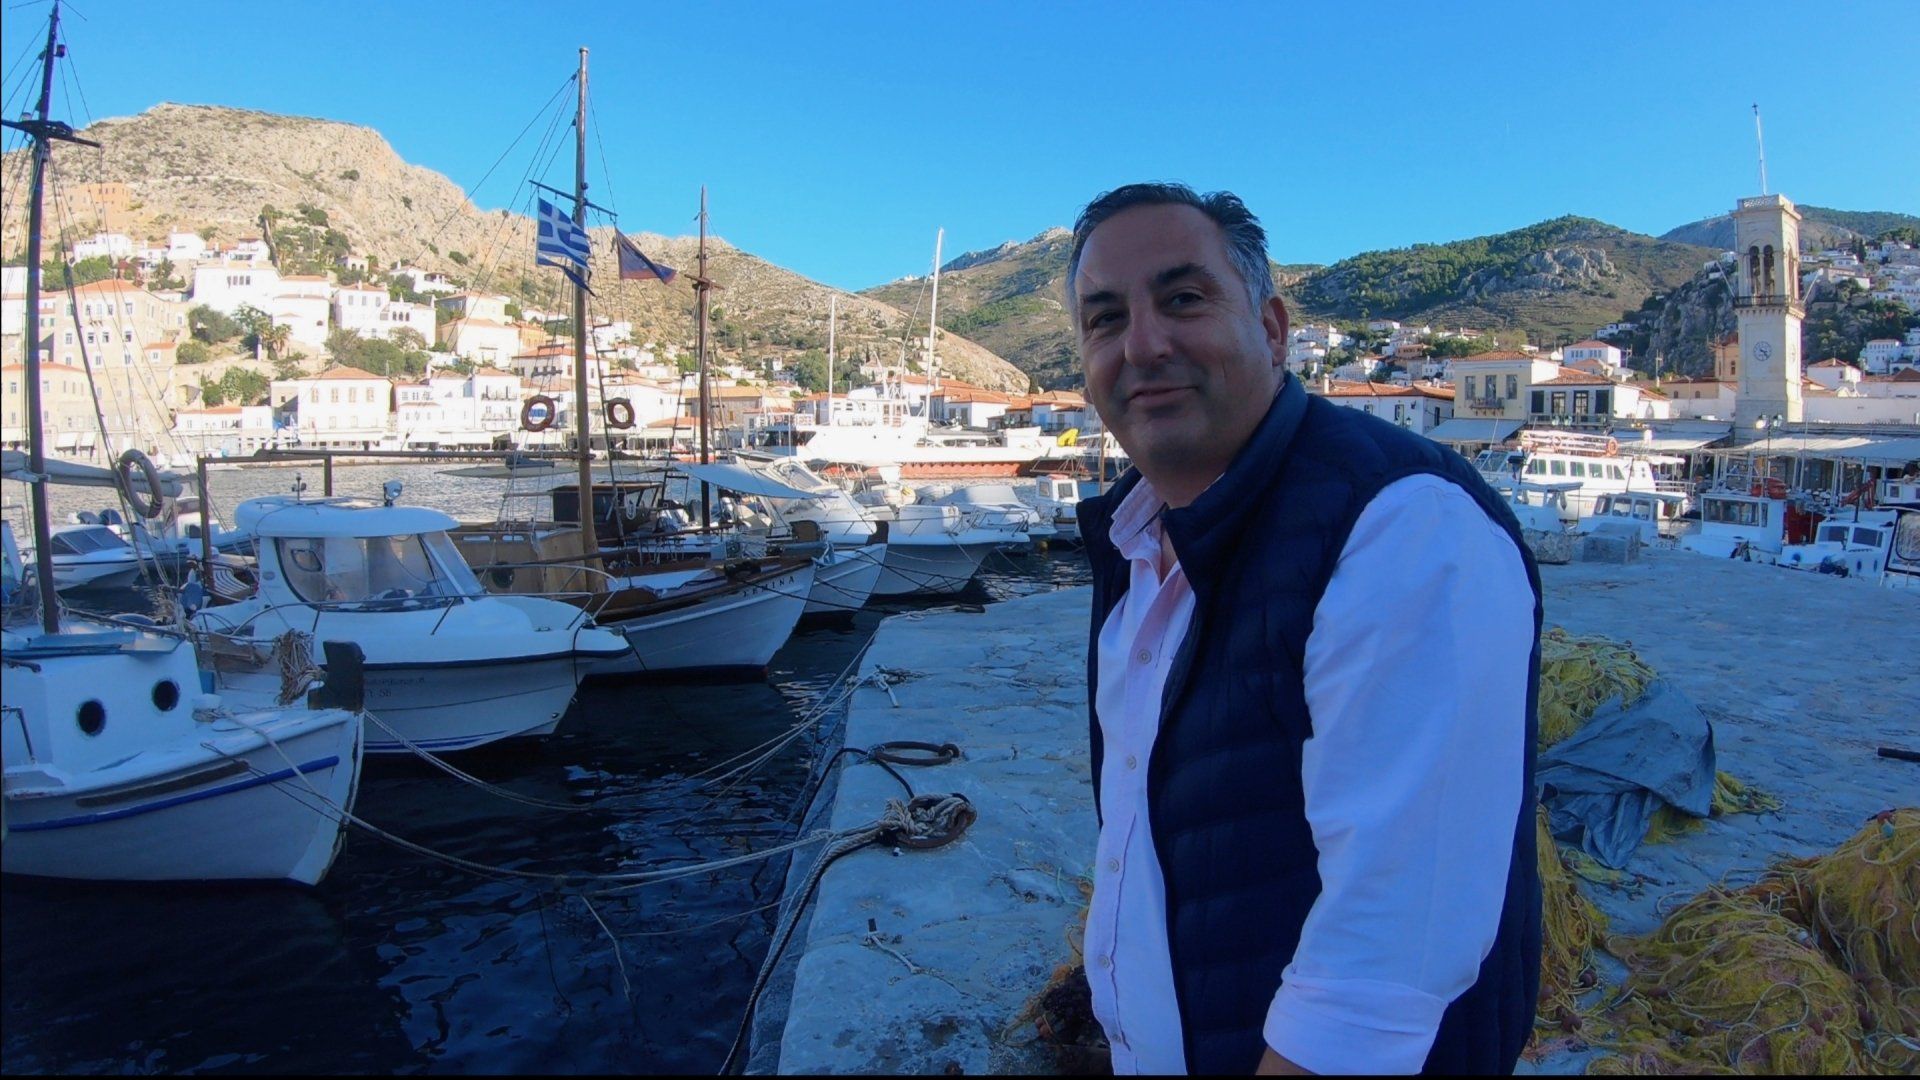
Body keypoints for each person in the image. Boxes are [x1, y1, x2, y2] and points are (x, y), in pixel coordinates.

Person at [1068, 183, 1543, 1076]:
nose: (1142, 345)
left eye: (1182, 299)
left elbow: (1384, 961)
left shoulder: (1403, 529)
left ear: (1274, 328)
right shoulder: (1141, 545)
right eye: (1104, 319)